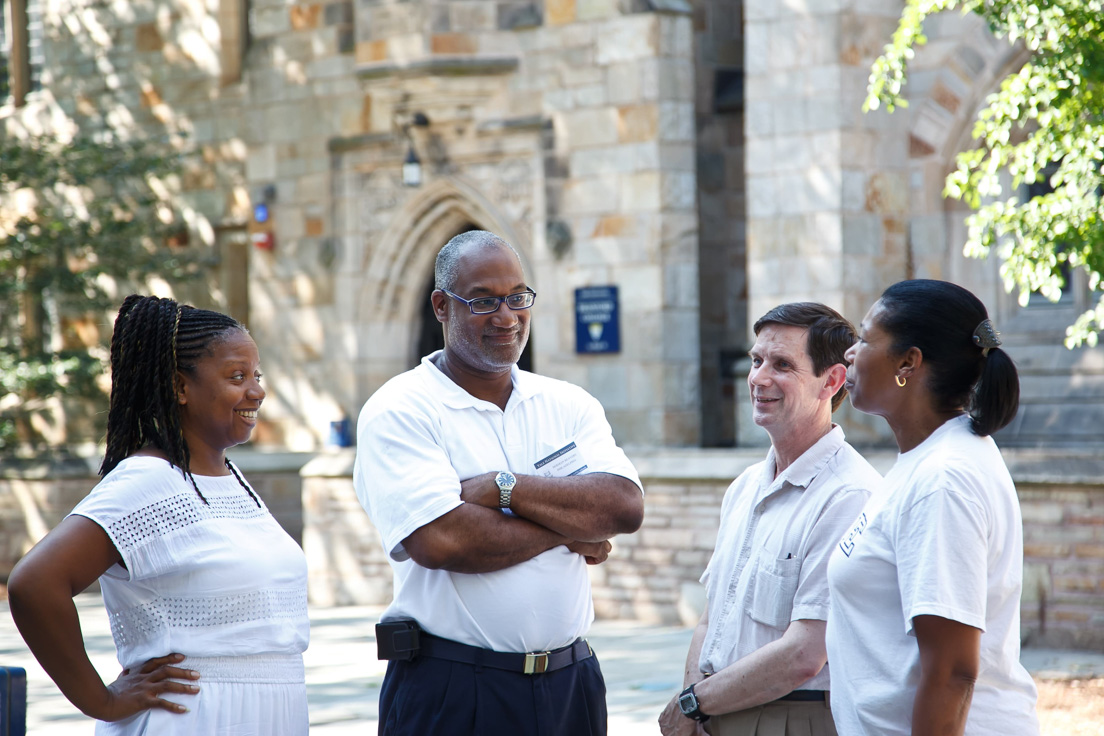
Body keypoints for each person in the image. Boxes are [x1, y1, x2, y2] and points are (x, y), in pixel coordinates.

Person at [353, 230, 644, 736]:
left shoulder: (568, 403)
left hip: (571, 686)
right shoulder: (400, 409)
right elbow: (442, 539)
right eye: (484, 301)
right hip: (455, 689)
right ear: (442, 307)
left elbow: (623, 508)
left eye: (516, 297)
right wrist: (572, 530)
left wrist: (502, 488)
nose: (507, 316)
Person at [6, 295, 309, 735]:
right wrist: (101, 701)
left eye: (256, 375)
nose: (256, 390)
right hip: (194, 719)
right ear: (179, 387)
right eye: (236, 376)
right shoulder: (146, 483)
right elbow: (34, 583)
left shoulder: (230, 479)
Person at [826, 279, 1039, 735]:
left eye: (864, 339)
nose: (850, 353)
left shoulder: (944, 479)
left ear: (909, 361)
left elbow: (953, 670)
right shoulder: (928, 460)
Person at [659, 303, 881, 736]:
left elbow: (804, 654)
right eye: (756, 360)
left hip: (791, 718)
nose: (759, 378)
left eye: (782, 365)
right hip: (713, 710)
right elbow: (711, 618)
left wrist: (693, 703)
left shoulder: (850, 495)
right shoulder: (744, 487)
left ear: (832, 380)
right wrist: (695, 704)